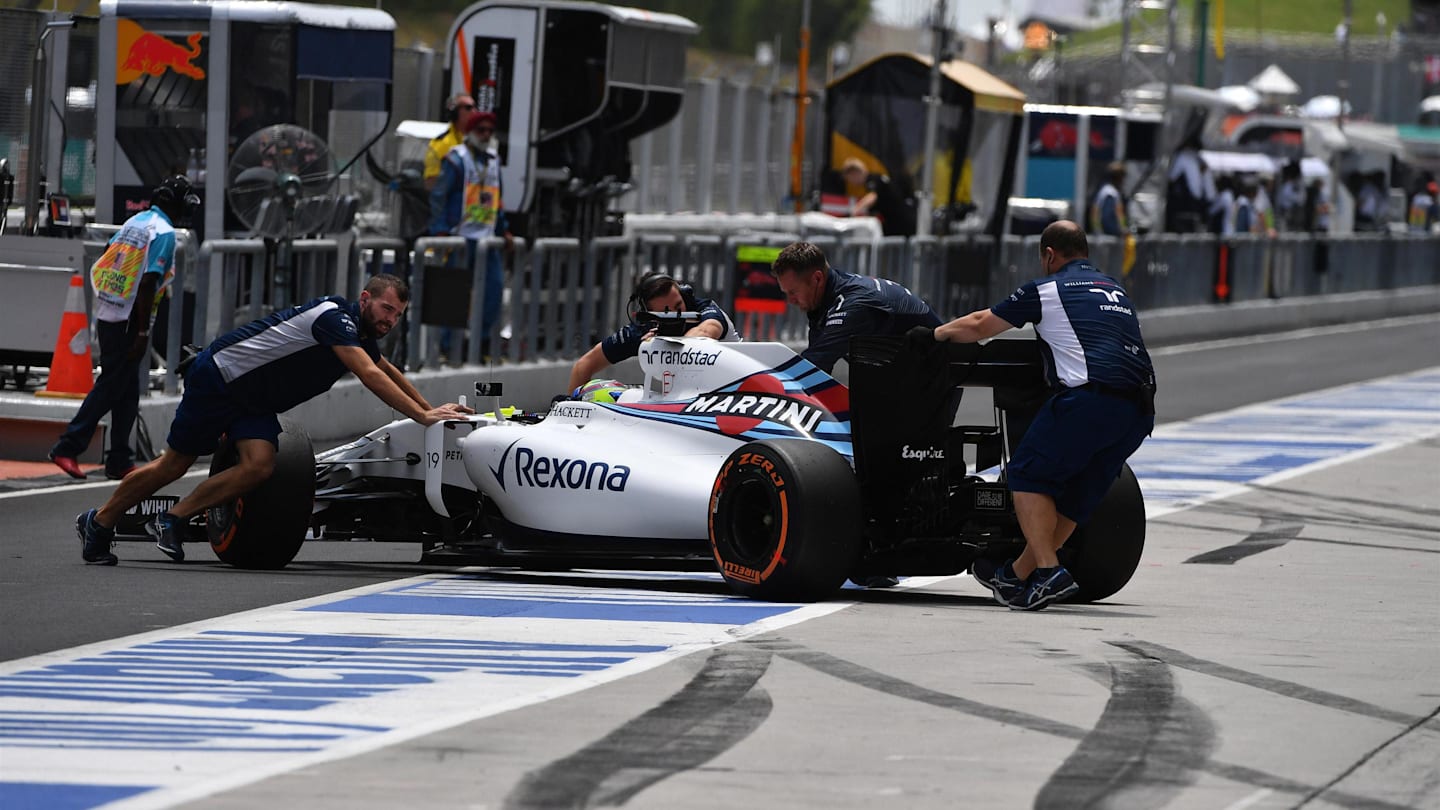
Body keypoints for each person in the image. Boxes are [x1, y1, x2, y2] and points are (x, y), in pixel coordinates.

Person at [74, 274, 473, 566]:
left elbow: (386, 369)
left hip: (255, 401)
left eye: (398, 315)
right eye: (386, 309)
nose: (390, 320)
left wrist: (434, 411)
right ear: (365, 298)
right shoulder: (334, 318)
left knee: (260, 466)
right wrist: (421, 416)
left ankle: (172, 519)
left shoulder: (360, 332)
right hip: (222, 378)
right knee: (174, 465)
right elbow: (369, 376)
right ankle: (100, 522)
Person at [909, 220, 1156, 611]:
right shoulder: (1116, 289)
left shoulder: (1046, 289)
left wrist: (936, 335)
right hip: (1138, 411)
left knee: (1025, 475)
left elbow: (979, 326)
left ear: (1049, 255)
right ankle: (1016, 576)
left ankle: (1049, 572)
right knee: (1075, 497)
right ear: (1085, 253)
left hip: (1088, 400)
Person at [49, 175, 198, 481]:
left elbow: (108, 256)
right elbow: (147, 282)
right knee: (111, 385)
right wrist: (143, 332)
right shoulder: (166, 233)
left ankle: (119, 459)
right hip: (130, 318)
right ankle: (68, 446)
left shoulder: (136, 222)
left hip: (109, 310)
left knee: (128, 391)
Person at [769, 241, 941, 375]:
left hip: (929, 376)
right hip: (898, 372)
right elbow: (817, 373)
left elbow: (814, 364)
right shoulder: (824, 300)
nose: (790, 301)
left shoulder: (853, 304)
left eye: (793, 292)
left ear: (817, 279)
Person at [429, 109, 514, 362]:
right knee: (453, 293)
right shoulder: (456, 159)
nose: (486, 135)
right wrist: (441, 231)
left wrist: (504, 229)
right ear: (470, 132)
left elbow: (497, 199)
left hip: (487, 238)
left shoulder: (493, 159)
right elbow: (438, 197)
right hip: (461, 237)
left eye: (490, 130)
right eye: (481, 130)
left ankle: (483, 345)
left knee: (494, 291)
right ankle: (447, 347)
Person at [567, 272, 739, 393]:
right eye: (667, 313)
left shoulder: (706, 310)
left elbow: (706, 331)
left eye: (679, 306)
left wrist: (662, 346)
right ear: (650, 314)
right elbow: (583, 366)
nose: (676, 315)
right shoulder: (643, 331)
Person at [841, 157, 917, 237]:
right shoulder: (876, 179)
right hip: (898, 222)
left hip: (902, 223)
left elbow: (872, 197)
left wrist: (853, 211)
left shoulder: (873, 181)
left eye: (849, 179)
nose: (851, 183)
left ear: (855, 173)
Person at [423, 92, 475, 191]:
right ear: (455, 113)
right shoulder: (441, 144)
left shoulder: (478, 140)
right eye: (468, 108)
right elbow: (431, 183)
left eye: (474, 107)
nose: (474, 111)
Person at [1088, 161, 1129, 236]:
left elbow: (1094, 210)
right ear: (1119, 178)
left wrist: (1096, 230)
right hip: (1111, 234)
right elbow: (1119, 213)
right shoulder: (1112, 193)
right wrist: (1123, 228)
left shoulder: (1103, 191)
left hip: (1101, 234)